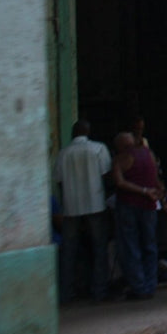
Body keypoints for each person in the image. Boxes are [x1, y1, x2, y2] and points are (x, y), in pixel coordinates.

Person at [56, 120, 112, 302]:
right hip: (95, 204)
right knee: (99, 248)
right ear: (88, 132)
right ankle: (99, 291)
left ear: (73, 133)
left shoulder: (63, 153)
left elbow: (59, 182)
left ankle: (65, 292)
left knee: (69, 251)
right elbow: (106, 175)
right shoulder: (98, 149)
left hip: (71, 207)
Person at [112, 131, 164, 300]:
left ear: (119, 146)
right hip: (149, 206)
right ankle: (150, 285)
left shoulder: (120, 159)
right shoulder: (148, 154)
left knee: (131, 246)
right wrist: (157, 192)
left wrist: (143, 191)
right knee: (149, 245)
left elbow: (119, 182)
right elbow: (155, 178)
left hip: (129, 205)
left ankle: (139, 287)